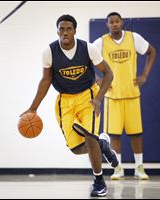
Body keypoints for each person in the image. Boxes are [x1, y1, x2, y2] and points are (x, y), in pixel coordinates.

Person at [22, 14, 117, 197]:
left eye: (69, 29)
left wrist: (98, 98)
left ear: (74, 31)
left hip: (87, 97)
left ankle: (99, 181)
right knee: (75, 149)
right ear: (57, 31)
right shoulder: (49, 51)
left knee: (89, 138)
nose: (65, 32)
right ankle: (103, 145)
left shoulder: (88, 48)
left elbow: (109, 73)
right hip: (64, 100)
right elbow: (46, 80)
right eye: (61, 29)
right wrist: (33, 107)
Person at [93, 12, 156, 180]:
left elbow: (151, 51)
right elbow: (85, 59)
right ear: (107, 24)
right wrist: (96, 78)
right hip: (112, 95)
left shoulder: (133, 37)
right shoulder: (101, 42)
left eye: (117, 21)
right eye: (111, 22)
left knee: (136, 133)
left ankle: (139, 167)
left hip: (132, 94)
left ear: (122, 22)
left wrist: (144, 75)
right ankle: (118, 168)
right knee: (114, 134)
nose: (114, 24)